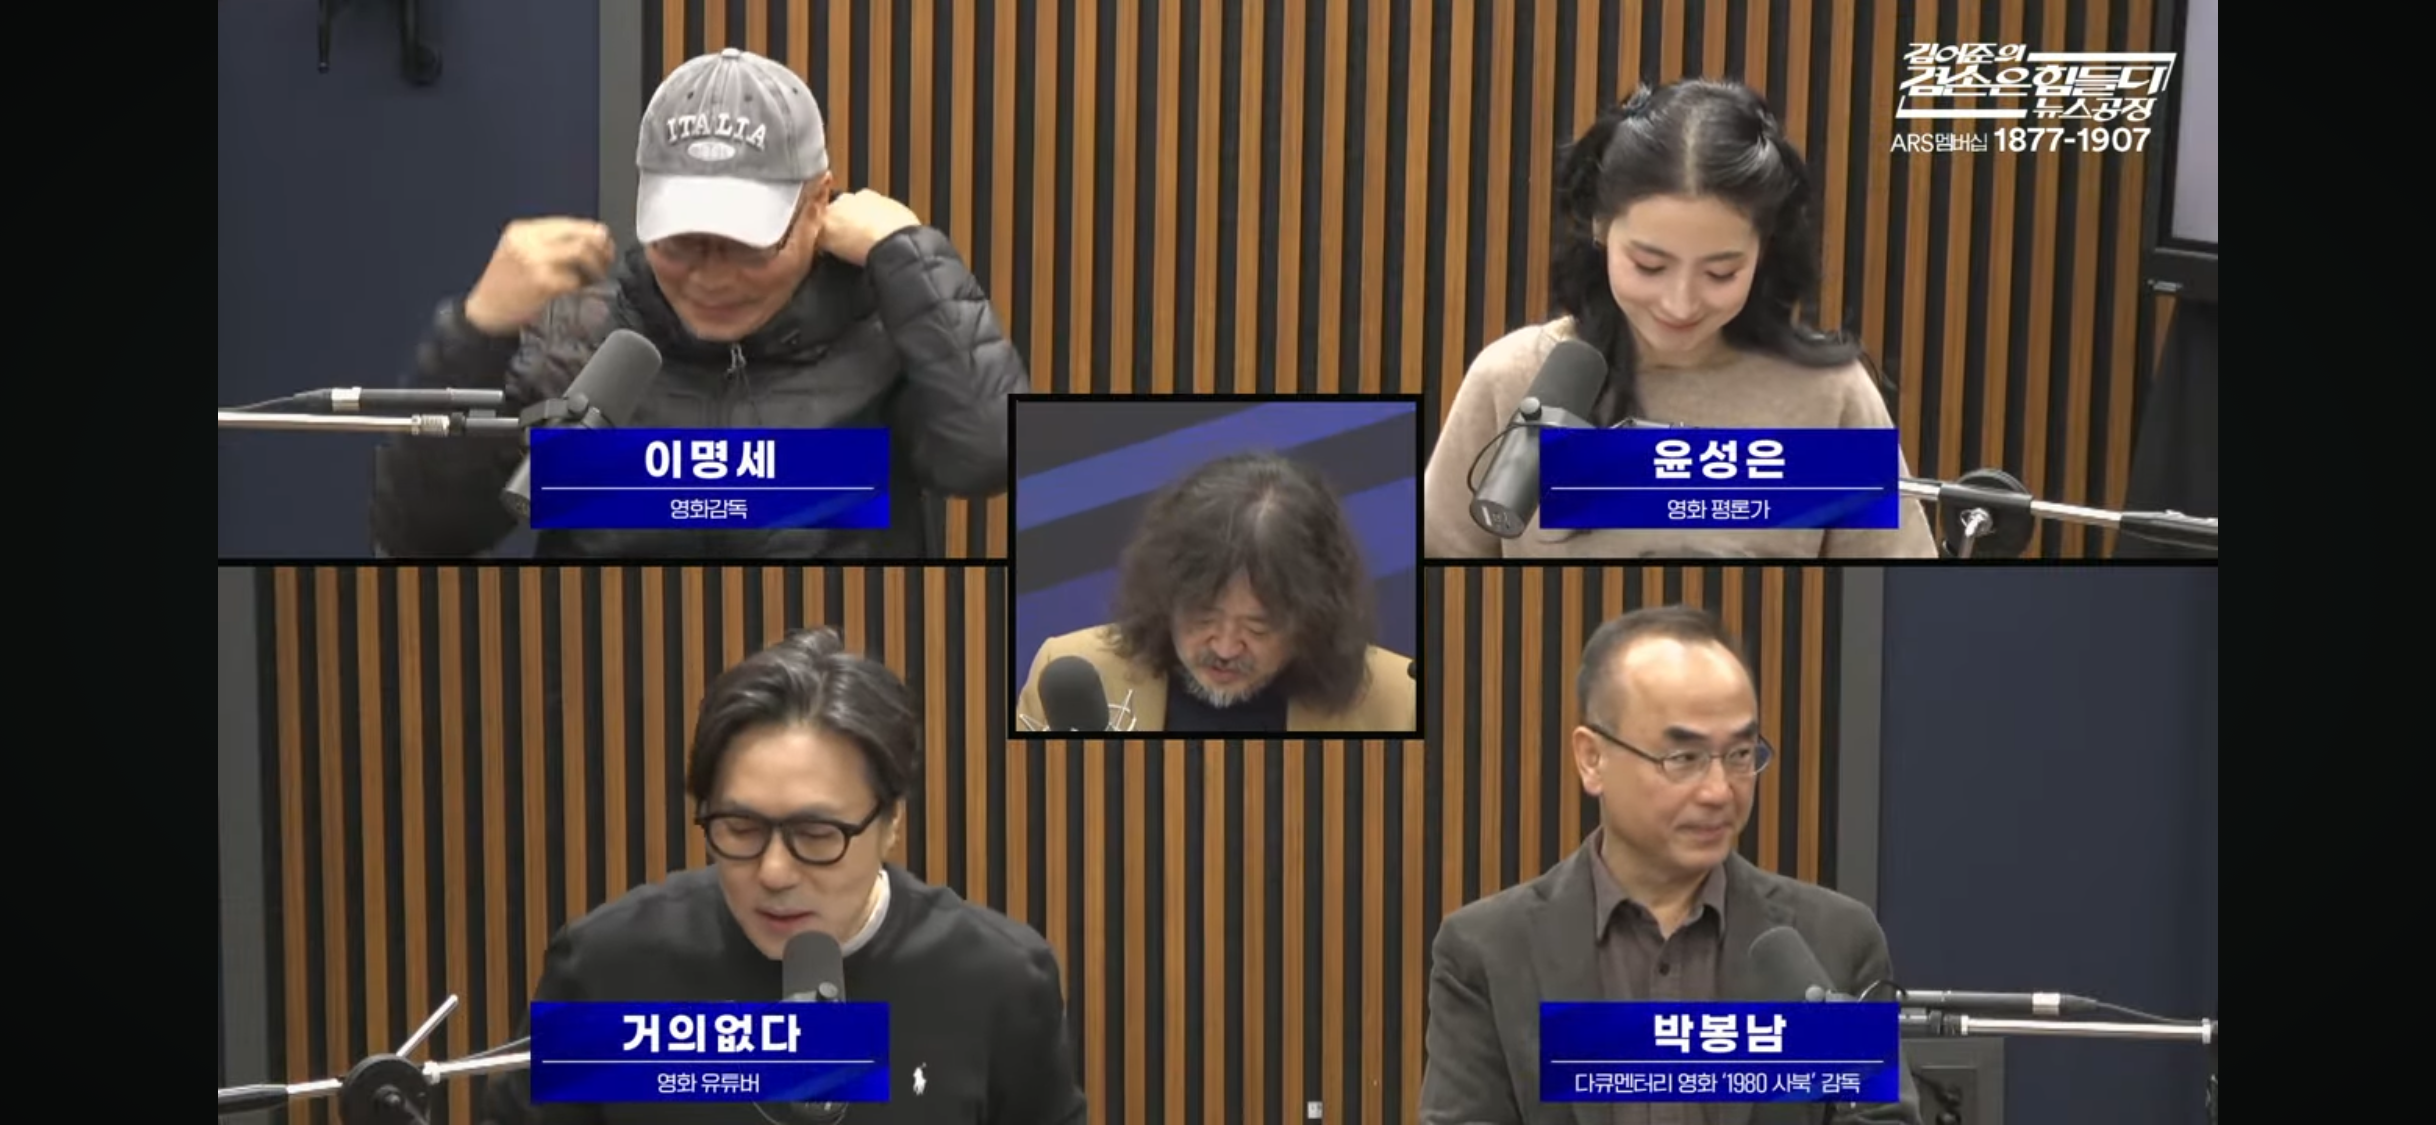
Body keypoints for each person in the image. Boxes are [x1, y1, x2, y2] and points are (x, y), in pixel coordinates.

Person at [375, 48, 1023, 559]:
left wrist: (910, 255)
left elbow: (992, 455)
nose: (711, 277)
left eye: (748, 244)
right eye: (681, 240)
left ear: (818, 205)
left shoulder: (882, 333)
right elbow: (423, 534)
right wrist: (477, 332)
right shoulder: (577, 340)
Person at [480, 628, 1088, 1124]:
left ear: (891, 822)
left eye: (816, 834)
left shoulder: (999, 980)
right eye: (740, 827)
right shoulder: (607, 967)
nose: (773, 872)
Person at [1418, 606, 1921, 1125]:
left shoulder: (1832, 942)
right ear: (1592, 758)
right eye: (1683, 758)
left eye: (1740, 754)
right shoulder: (1489, 953)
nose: (1719, 791)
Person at [1421, 80, 1938, 560]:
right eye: (1649, 266)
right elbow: (1432, 571)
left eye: (1720, 273)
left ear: (1764, 251)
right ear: (1601, 229)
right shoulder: (1515, 376)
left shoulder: (1828, 396)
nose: (1680, 304)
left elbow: (1896, 582)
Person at [1015, 451, 1416, 734]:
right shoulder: (1074, 671)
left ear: (1312, 621)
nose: (1224, 648)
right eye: (1203, 618)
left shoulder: (1401, 702)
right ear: (1163, 598)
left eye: (1257, 629)